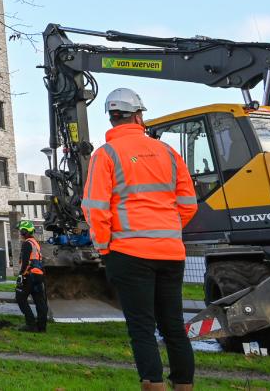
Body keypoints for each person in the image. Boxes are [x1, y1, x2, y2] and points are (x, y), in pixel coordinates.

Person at [83, 88, 198, 391]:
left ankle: (153, 385)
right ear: (138, 115)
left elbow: (95, 208)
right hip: (171, 253)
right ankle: (184, 386)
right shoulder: (169, 153)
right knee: (174, 326)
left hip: (128, 253)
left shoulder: (105, 155)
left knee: (142, 328)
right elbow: (189, 204)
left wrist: (105, 246)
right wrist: (169, 231)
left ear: (112, 118)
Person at [14, 219, 48, 332]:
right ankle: (41, 327)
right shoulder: (35, 243)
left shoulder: (27, 243)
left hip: (29, 275)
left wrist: (21, 275)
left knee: (20, 298)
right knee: (39, 300)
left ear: (24, 231)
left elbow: (25, 262)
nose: (20, 234)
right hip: (39, 275)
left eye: (20, 231)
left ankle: (31, 324)